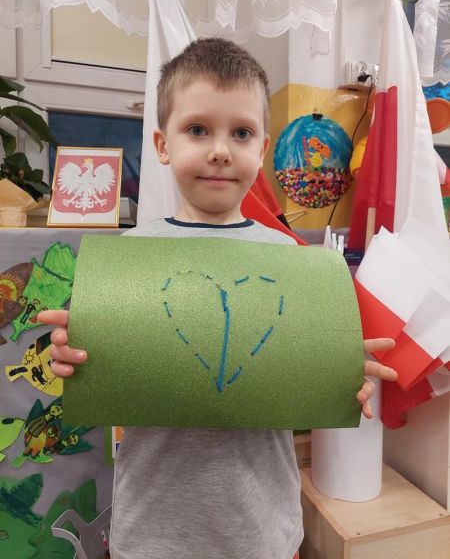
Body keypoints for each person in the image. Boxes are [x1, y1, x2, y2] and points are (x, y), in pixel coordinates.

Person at [38, 38, 397, 559]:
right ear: (162, 144)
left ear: (262, 150)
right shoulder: (129, 261)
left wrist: (336, 367)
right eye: (198, 130)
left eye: (241, 133)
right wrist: (73, 355)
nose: (220, 150)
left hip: (260, 529)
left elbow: (297, 378)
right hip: (154, 532)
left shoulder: (289, 259)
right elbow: (99, 373)